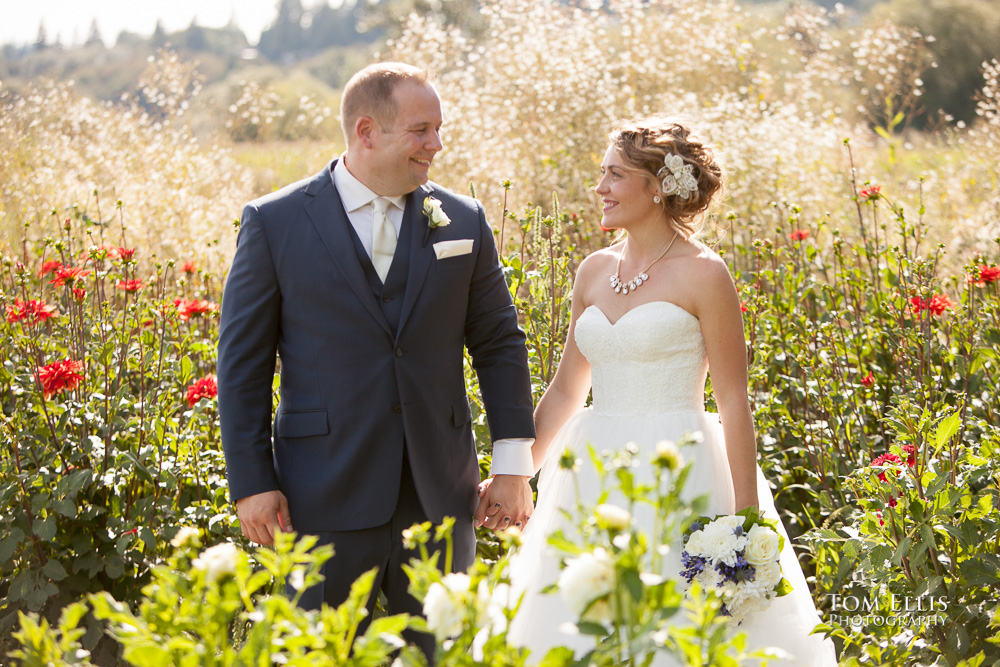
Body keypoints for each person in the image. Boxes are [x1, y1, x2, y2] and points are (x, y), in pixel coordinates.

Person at [216, 62, 537, 656]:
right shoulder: (275, 222)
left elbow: (498, 341)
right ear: (366, 131)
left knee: (441, 652)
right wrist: (253, 482)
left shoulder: (463, 219)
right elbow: (242, 366)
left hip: (440, 491)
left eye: (438, 130)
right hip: (320, 494)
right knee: (322, 655)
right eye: (421, 130)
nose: (436, 145)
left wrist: (515, 463)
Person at [492, 117, 837, 665]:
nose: (599, 188)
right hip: (592, 474)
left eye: (614, 175)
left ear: (656, 187)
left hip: (683, 468)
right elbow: (564, 392)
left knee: (686, 634)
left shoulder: (705, 274)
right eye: (601, 174)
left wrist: (745, 516)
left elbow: (733, 402)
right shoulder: (591, 272)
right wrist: (512, 472)